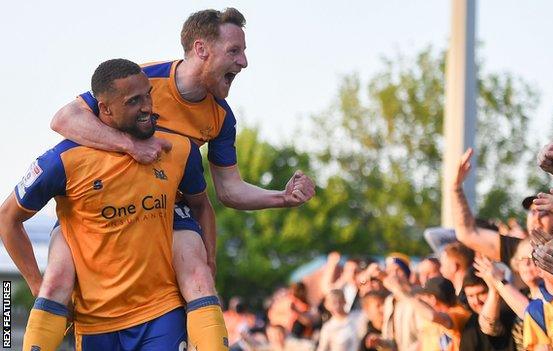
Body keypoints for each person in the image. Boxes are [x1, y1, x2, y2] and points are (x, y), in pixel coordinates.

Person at [36, 7, 316, 349]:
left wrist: (282, 197)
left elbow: (227, 191)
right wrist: (129, 146)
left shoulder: (221, 118)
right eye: (234, 51)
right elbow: (64, 119)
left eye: (243, 52)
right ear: (201, 50)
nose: (244, 62)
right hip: (99, 204)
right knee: (54, 282)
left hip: (163, 208)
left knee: (198, 273)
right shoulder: (143, 80)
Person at [0, 59, 220, 350]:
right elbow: (7, 218)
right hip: (95, 323)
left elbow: (202, 206)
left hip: (160, 314)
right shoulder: (62, 160)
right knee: (54, 282)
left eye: (148, 95)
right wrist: (36, 285)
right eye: (133, 101)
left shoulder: (177, 149)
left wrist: (210, 260)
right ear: (104, 109)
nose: (147, 107)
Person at [451, 148, 553, 265]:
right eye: (533, 212)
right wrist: (455, 188)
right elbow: (467, 233)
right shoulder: (519, 248)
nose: (537, 217)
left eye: (543, 212)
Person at [459, 268, 515, 351]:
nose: (476, 301)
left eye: (481, 293)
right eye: (470, 296)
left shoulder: (512, 314)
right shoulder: (470, 326)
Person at [413, 277, 472, 351]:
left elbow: (434, 317)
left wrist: (408, 297)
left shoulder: (459, 313)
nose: (424, 299)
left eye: (425, 296)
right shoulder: (434, 316)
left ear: (432, 299)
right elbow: (424, 342)